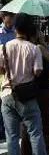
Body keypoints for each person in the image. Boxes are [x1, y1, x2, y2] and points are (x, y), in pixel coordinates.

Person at [0, 13, 49, 155]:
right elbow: (37, 71)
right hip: (27, 95)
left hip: (7, 93)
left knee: (12, 135)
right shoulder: (33, 48)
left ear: (15, 29)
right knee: (35, 132)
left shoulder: (4, 47)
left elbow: (1, 69)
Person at [21, 27, 49, 155]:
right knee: (47, 128)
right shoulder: (38, 48)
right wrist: (45, 46)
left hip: (28, 91)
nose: (43, 34)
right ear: (36, 35)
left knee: (28, 127)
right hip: (44, 91)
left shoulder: (26, 48)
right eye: (40, 32)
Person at [0, 11, 15, 141]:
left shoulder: (17, 33)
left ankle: (6, 129)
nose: (13, 19)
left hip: (14, 70)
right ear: (3, 17)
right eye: (10, 17)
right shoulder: (0, 32)